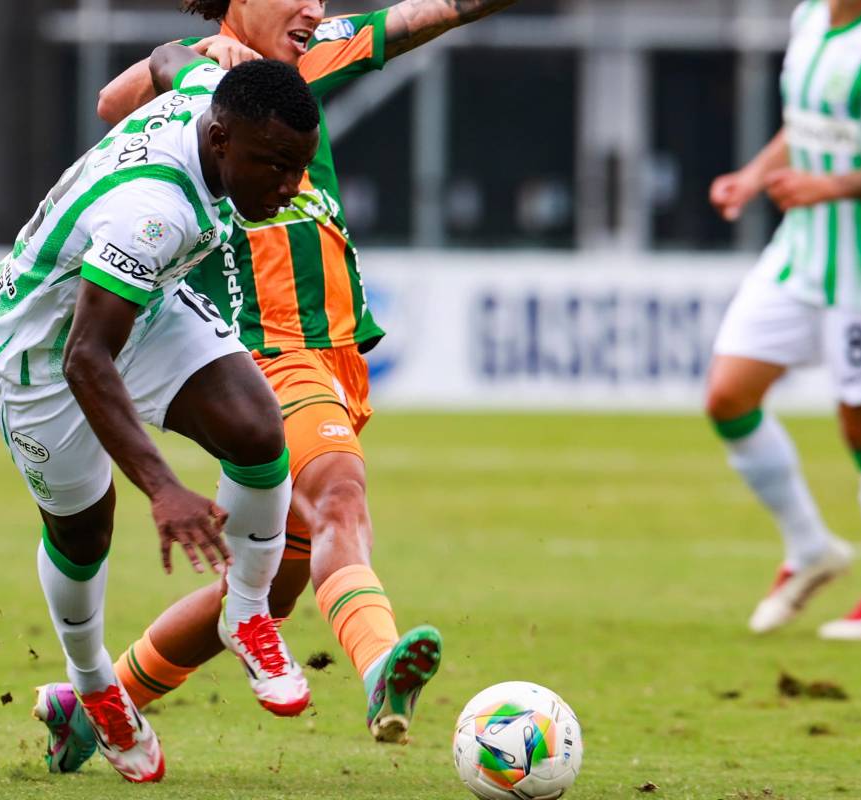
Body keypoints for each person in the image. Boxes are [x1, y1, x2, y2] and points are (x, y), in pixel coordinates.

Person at [30, 0, 517, 772]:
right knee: (339, 498)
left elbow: (440, 12)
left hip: (338, 355)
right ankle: (382, 666)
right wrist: (200, 61)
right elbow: (113, 101)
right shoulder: (207, 84)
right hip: (267, 355)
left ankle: (93, 705)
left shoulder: (319, 53)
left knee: (273, 588)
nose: (315, 6)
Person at [0, 48, 322, 781]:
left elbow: (172, 62)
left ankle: (247, 612)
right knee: (82, 529)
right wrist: (163, 488)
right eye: (272, 165)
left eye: (299, 168)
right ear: (220, 139)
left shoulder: (211, 96)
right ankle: (95, 684)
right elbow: (85, 360)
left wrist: (208, 52)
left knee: (258, 431)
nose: (288, 188)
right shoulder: (153, 213)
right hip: (43, 345)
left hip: (138, 302)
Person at [706, 0, 861, 640]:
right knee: (729, 396)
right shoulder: (809, 17)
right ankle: (810, 547)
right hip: (799, 254)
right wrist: (756, 175)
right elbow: (808, 126)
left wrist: (830, 187)